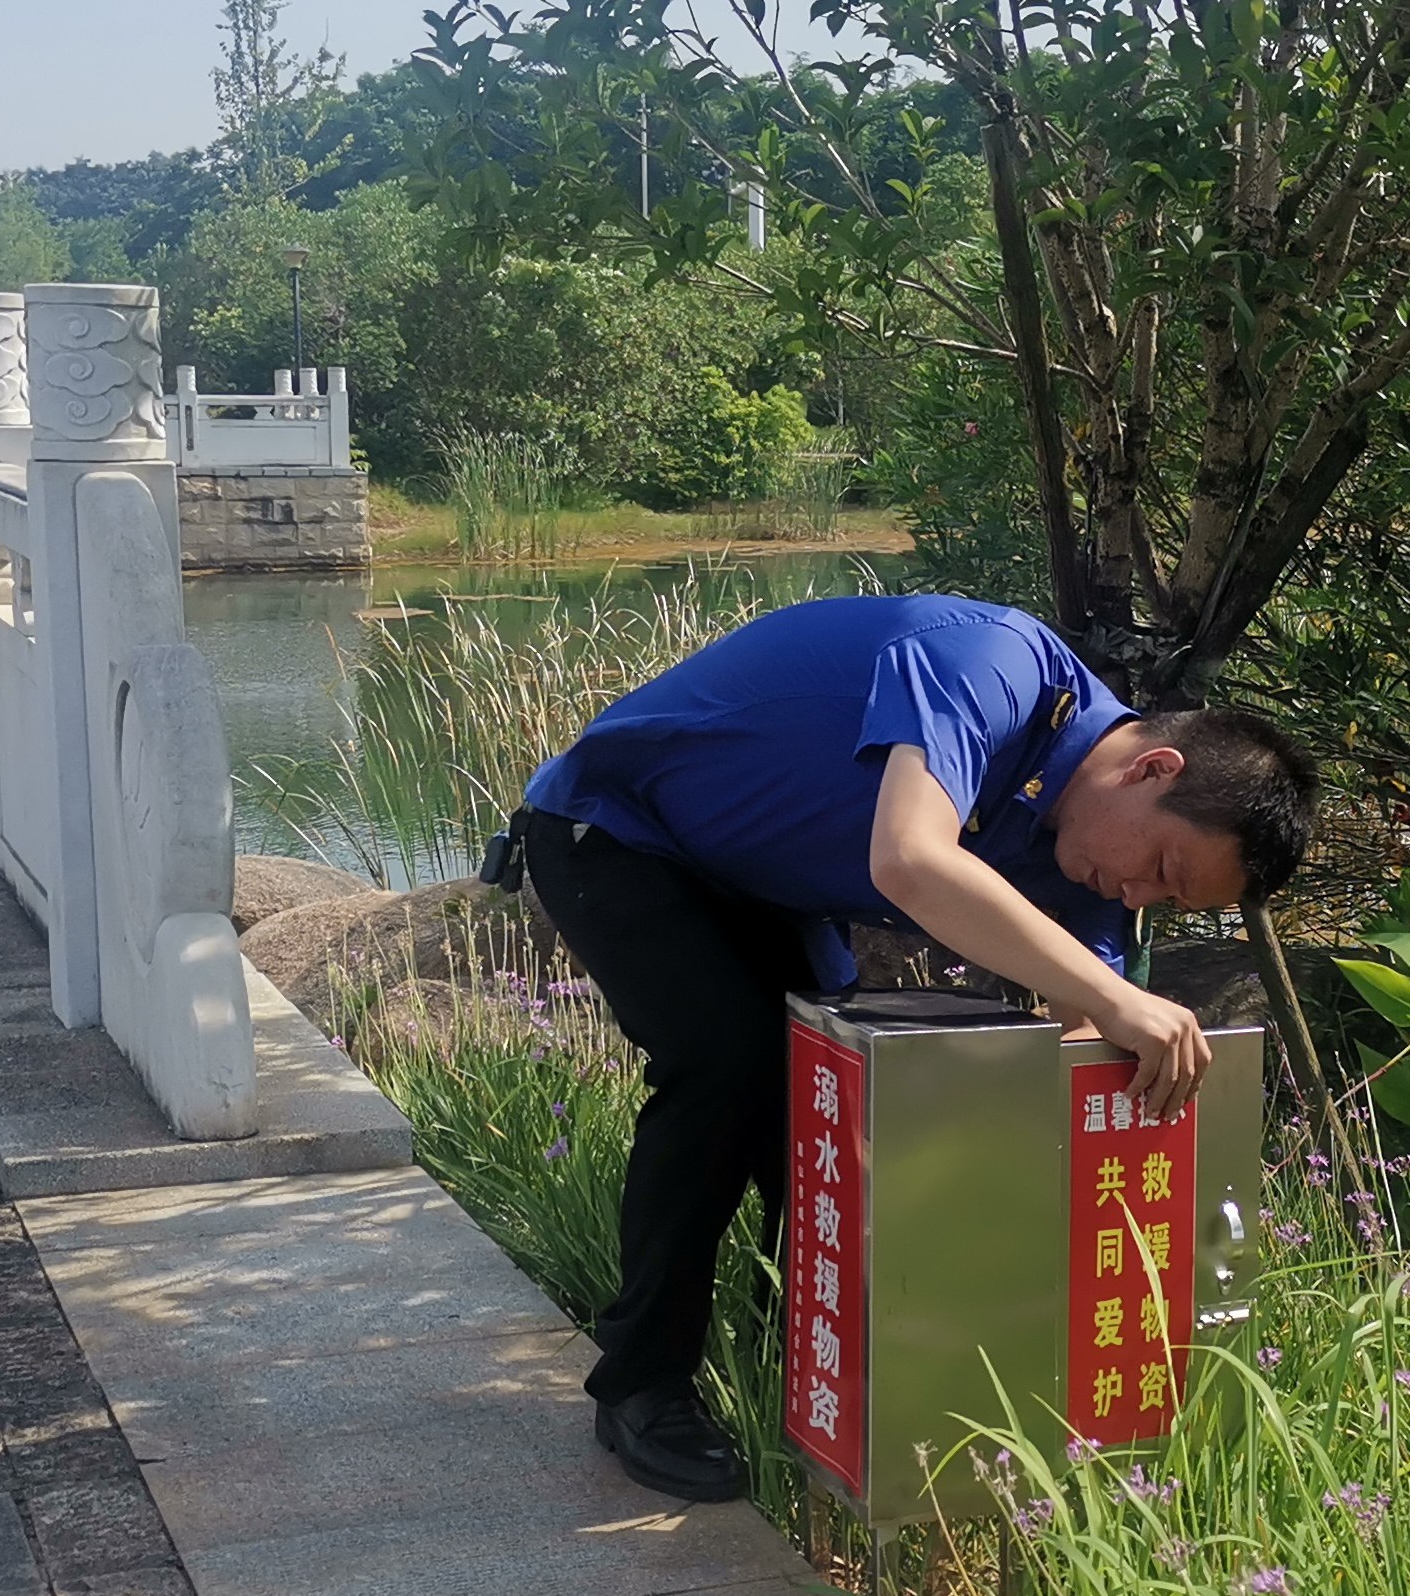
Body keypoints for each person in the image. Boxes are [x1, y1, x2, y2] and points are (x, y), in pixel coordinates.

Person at [510, 593, 1319, 1499]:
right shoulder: (993, 666)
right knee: (729, 1063)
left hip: (767, 886)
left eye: (1166, 903)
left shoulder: (1091, 865)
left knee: (825, 1089)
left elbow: (1082, 1038)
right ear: (1151, 770)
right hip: (622, 830)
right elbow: (910, 858)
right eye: (1162, 870)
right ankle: (642, 1387)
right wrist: (1121, 999)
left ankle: (807, 1380)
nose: (1137, 894)